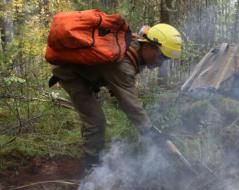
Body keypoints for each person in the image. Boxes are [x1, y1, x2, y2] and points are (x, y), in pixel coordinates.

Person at [50, 23, 182, 167]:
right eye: (161, 57)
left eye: (165, 60)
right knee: (96, 121)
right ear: (149, 46)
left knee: (92, 119)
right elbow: (131, 106)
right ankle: (92, 167)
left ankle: (90, 150)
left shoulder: (135, 44)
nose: (160, 63)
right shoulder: (123, 64)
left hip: (85, 74)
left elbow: (124, 85)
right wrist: (149, 131)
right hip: (71, 74)